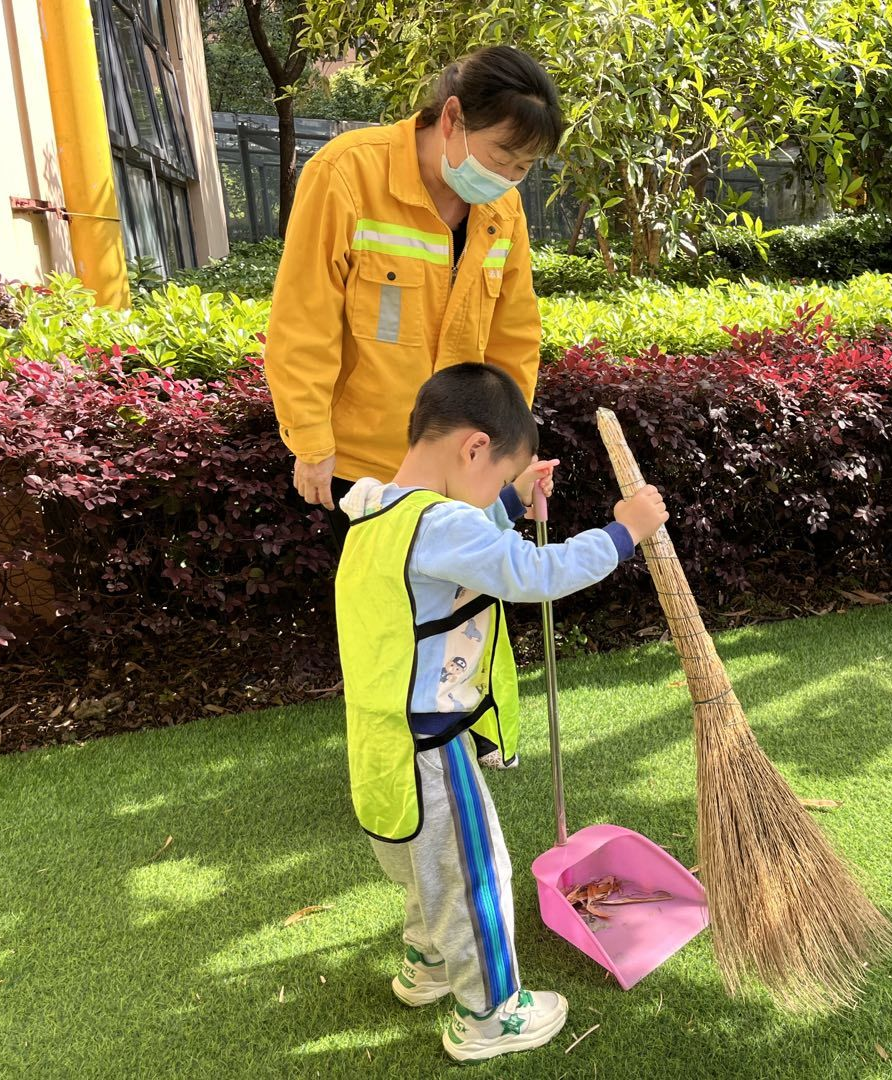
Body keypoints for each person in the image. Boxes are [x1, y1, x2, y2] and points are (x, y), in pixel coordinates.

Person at [335, 364, 668, 1063]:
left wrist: (510, 500)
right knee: (474, 873)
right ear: (473, 447)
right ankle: (492, 1014)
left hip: (380, 745)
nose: (490, 496)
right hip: (431, 747)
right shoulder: (439, 522)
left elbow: (460, 548)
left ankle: (428, 966)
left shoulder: (377, 513)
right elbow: (529, 574)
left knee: (430, 869)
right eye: (495, 476)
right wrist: (621, 533)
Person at [264, 46, 563, 549]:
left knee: (457, 621)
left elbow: (513, 338)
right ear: (452, 118)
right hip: (370, 472)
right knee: (388, 618)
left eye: (524, 167)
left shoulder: (503, 211)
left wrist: (511, 456)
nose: (508, 179)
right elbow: (304, 319)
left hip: (465, 469)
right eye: (501, 158)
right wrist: (311, 442)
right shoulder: (346, 174)